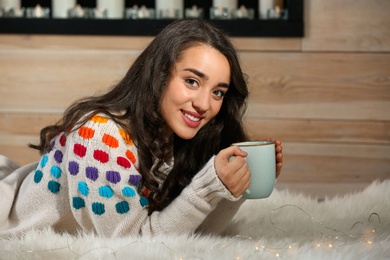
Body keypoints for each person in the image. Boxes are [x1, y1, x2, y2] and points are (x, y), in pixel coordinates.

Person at [0, 19, 283, 238]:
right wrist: (206, 188)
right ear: (159, 74)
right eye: (192, 81)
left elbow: (192, 234)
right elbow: (133, 247)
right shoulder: (98, 136)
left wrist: (233, 186)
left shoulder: (170, 138)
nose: (203, 104)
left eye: (218, 92)